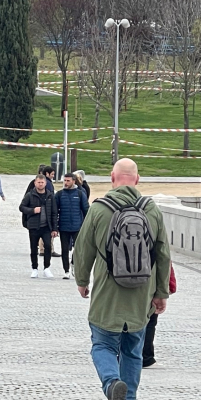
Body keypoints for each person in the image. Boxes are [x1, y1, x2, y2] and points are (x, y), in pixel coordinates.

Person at [74, 158, 170, 400]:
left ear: (112, 177)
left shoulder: (99, 209)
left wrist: (82, 280)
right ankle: (128, 397)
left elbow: (82, 249)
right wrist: (160, 293)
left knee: (103, 345)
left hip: (107, 294)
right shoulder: (151, 210)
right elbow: (163, 254)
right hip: (141, 295)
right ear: (137, 180)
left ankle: (111, 382)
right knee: (133, 351)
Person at [19, 174, 58, 278]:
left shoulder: (50, 196)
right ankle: (34, 268)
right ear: (35, 183)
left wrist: (55, 228)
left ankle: (46, 268)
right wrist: (32, 210)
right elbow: (22, 207)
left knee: (48, 246)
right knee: (33, 247)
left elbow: (54, 213)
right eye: (38, 182)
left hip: (46, 226)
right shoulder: (30, 195)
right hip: (34, 226)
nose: (40, 184)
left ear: (45, 183)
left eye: (42, 182)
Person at [56, 172, 90, 279]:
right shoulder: (59, 194)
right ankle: (66, 271)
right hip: (63, 227)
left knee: (78, 249)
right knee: (64, 250)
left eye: (68, 181)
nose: (66, 183)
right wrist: (55, 227)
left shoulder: (80, 194)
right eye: (64, 180)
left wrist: (87, 225)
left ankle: (74, 264)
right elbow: (54, 211)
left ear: (74, 181)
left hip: (77, 226)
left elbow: (86, 210)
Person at [143, 265, 176, 368]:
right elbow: (163, 259)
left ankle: (121, 355)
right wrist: (163, 291)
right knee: (150, 320)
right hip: (149, 280)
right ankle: (146, 357)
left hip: (118, 280)